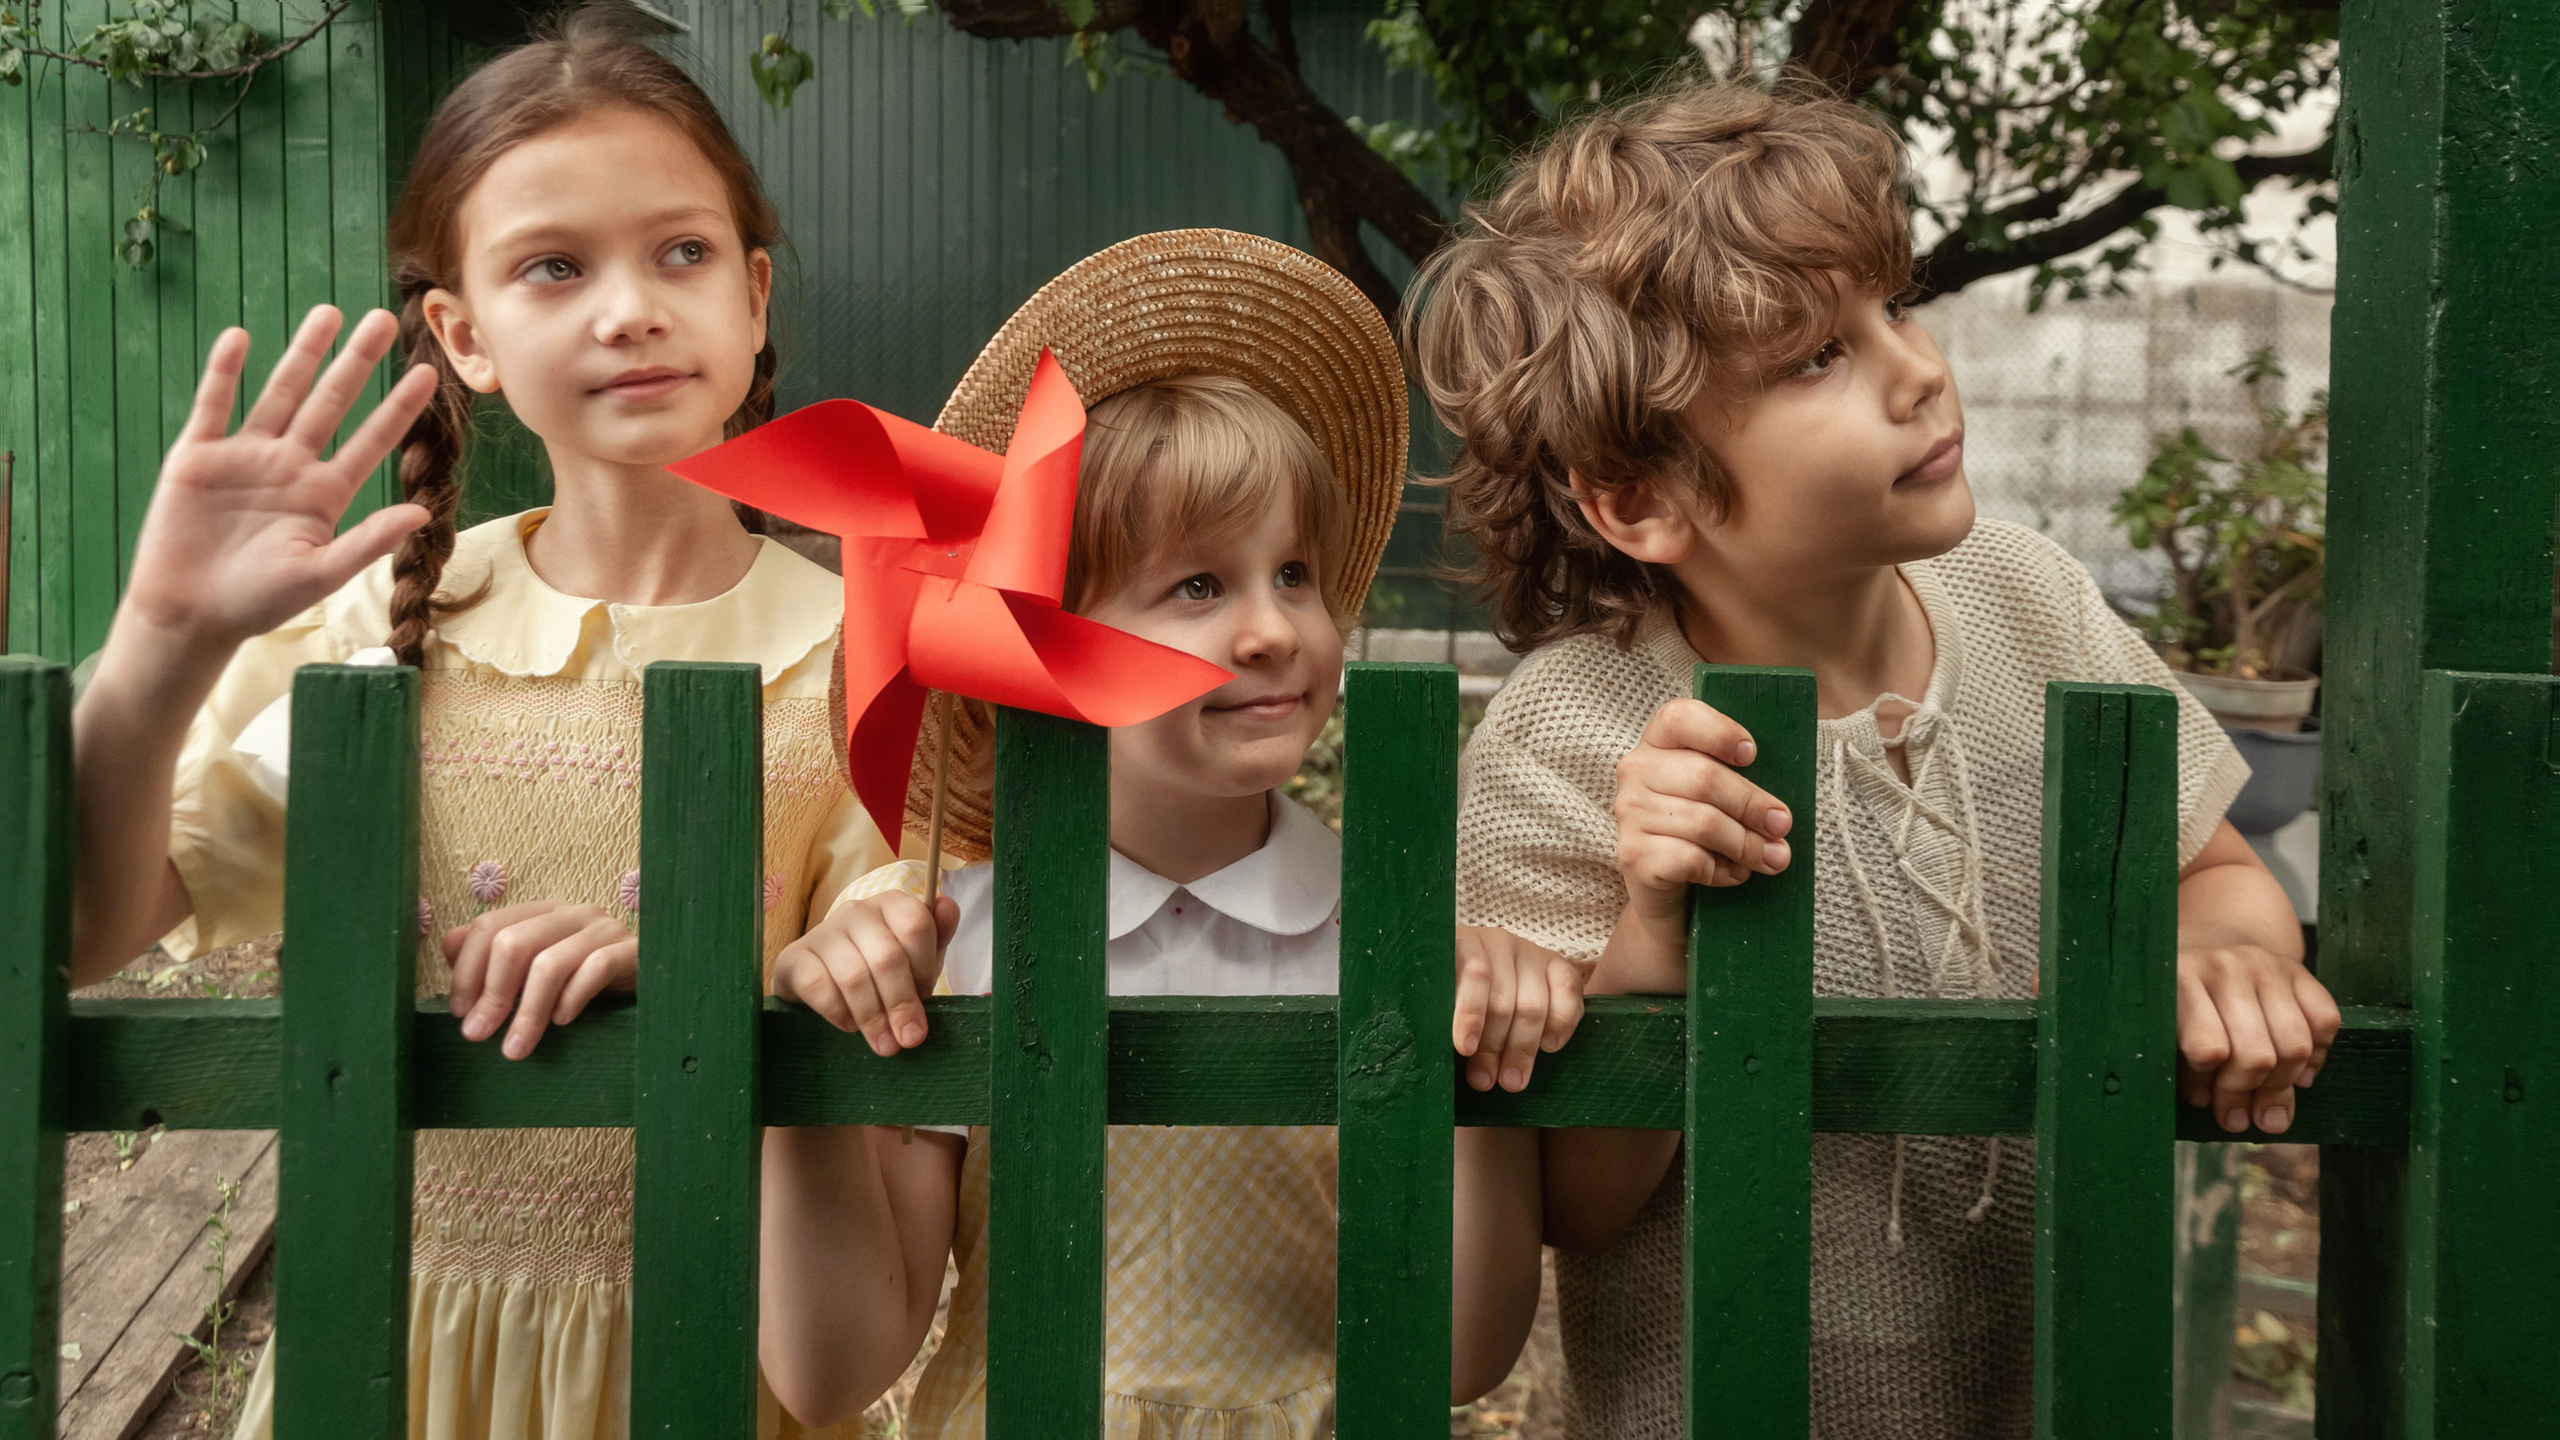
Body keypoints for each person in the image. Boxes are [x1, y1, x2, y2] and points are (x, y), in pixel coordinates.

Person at [1405, 80, 2341, 1436]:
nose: (1918, 368)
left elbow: (2215, 865)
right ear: (1645, 499)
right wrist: (1654, 943)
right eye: (1813, 360)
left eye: (1890, 307)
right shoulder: (1567, 739)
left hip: (2050, 1394)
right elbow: (1581, 1205)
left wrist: (2218, 953)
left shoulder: (2033, 603)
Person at [65, 9, 899, 1436]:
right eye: (553, 267)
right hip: (389, 1371)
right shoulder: (395, 627)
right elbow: (86, 927)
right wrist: (158, 642)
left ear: (756, 297)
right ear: (465, 335)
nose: (628, 307)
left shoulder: (872, 669)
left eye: (681, 252)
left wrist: (720, 994)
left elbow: (839, 1361)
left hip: (707, 1375)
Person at [752, 230, 1577, 1434]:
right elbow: (836, 1371)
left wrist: (1483, 1067)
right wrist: (809, 1089)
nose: (1271, 628)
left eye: (1293, 572)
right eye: (1198, 587)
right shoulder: (954, 945)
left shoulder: (1392, 939)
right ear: (1036, 645)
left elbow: (1458, 1354)